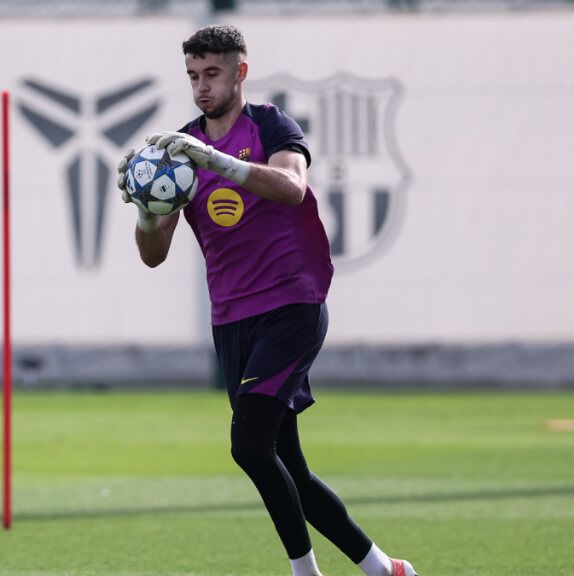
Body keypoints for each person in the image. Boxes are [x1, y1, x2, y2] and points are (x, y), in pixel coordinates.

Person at [116, 25, 419, 576]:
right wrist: (145, 211)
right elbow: (153, 254)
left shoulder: (270, 126)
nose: (201, 87)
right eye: (192, 76)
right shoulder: (180, 151)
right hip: (232, 319)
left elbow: (291, 187)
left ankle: (307, 573)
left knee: (250, 447)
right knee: (290, 468)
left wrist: (216, 160)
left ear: (240, 73)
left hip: (291, 305)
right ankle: (384, 569)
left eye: (212, 74)